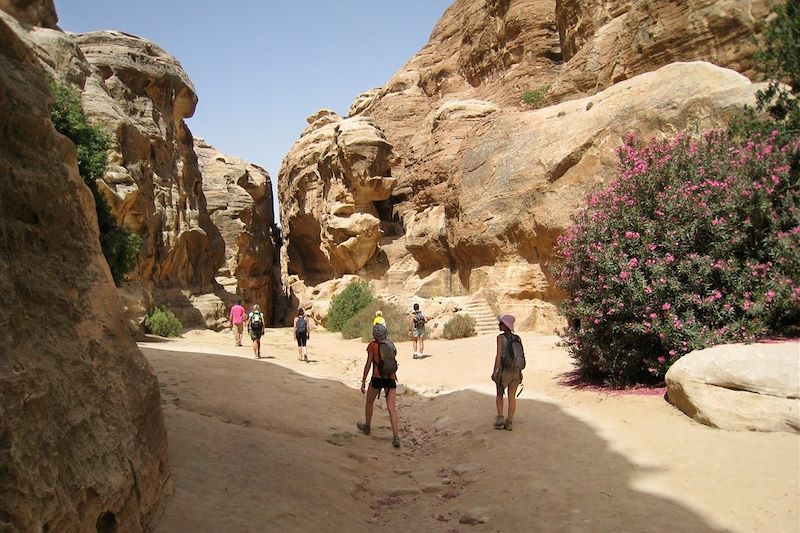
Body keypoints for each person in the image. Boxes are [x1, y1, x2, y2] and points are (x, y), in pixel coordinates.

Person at [357, 324, 401, 448]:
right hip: (390, 378)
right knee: (391, 408)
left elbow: (368, 364)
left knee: (369, 402)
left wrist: (363, 381)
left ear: (374, 334)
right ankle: (396, 437)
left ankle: (367, 426)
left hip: (377, 378)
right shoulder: (391, 345)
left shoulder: (372, 345)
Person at [491, 314, 521, 431]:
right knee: (512, 396)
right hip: (516, 371)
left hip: (505, 371)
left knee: (499, 393)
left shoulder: (500, 338)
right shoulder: (517, 338)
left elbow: (498, 356)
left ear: (506, 326)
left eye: (501, 323)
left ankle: (500, 418)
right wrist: (520, 372)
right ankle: (509, 422)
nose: (499, 325)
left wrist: (495, 371)